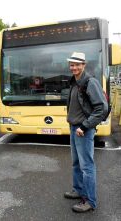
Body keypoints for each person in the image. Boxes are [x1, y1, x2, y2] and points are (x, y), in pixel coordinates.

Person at [64, 52, 108, 213]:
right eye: (71, 64)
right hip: (74, 128)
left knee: (87, 166)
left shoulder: (90, 82)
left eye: (77, 64)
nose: (73, 67)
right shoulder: (75, 82)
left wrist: (85, 126)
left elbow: (101, 109)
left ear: (84, 65)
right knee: (76, 163)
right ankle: (78, 190)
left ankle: (90, 201)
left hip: (83, 130)